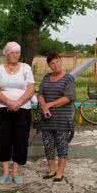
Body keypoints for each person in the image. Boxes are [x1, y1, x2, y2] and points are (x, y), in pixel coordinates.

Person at [0, 42, 36, 185]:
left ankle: (15, 171)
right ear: (6, 53)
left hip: (23, 108)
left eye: (18, 52)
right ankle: (5, 171)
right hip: (2, 108)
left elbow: (31, 88)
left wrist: (19, 102)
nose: (15, 55)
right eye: (12, 52)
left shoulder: (26, 68)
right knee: (3, 139)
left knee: (20, 139)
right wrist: (9, 102)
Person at [37, 52, 76, 181]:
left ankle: (60, 172)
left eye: (57, 61)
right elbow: (40, 93)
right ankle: (52, 170)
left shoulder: (68, 78)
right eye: (52, 63)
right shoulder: (46, 77)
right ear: (49, 65)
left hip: (62, 119)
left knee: (61, 145)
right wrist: (44, 106)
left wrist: (50, 104)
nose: (55, 65)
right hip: (46, 119)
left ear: (61, 61)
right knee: (48, 145)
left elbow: (68, 97)